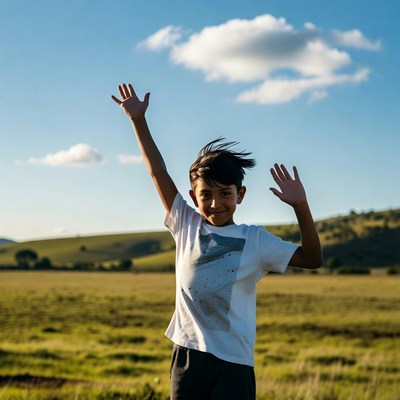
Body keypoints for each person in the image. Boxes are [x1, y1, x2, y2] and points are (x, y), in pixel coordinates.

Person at [112, 83, 322, 400]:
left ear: (241, 194)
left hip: (234, 363)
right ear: (194, 197)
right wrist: (138, 121)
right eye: (206, 195)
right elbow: (157, 172)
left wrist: (301, 207)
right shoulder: (186, 224)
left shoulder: (255, 239)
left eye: (225, 194)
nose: (215, 204)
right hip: (188, 355)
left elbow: (312, 258)